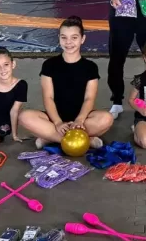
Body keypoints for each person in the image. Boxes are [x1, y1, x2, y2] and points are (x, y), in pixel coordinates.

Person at [19, 16, 114, 150]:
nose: (68, 42)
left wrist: (80, 120)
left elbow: (89, 98)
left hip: (82, 120)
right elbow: (48, 97)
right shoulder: (49, 65)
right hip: (54, 118)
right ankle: (81, 140)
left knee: (107, 118)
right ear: (59, 39)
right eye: (64, 37)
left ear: (82, 39)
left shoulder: (90, 67)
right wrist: (57, 123)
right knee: (24, 116)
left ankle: (51, 138)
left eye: (74, 37)